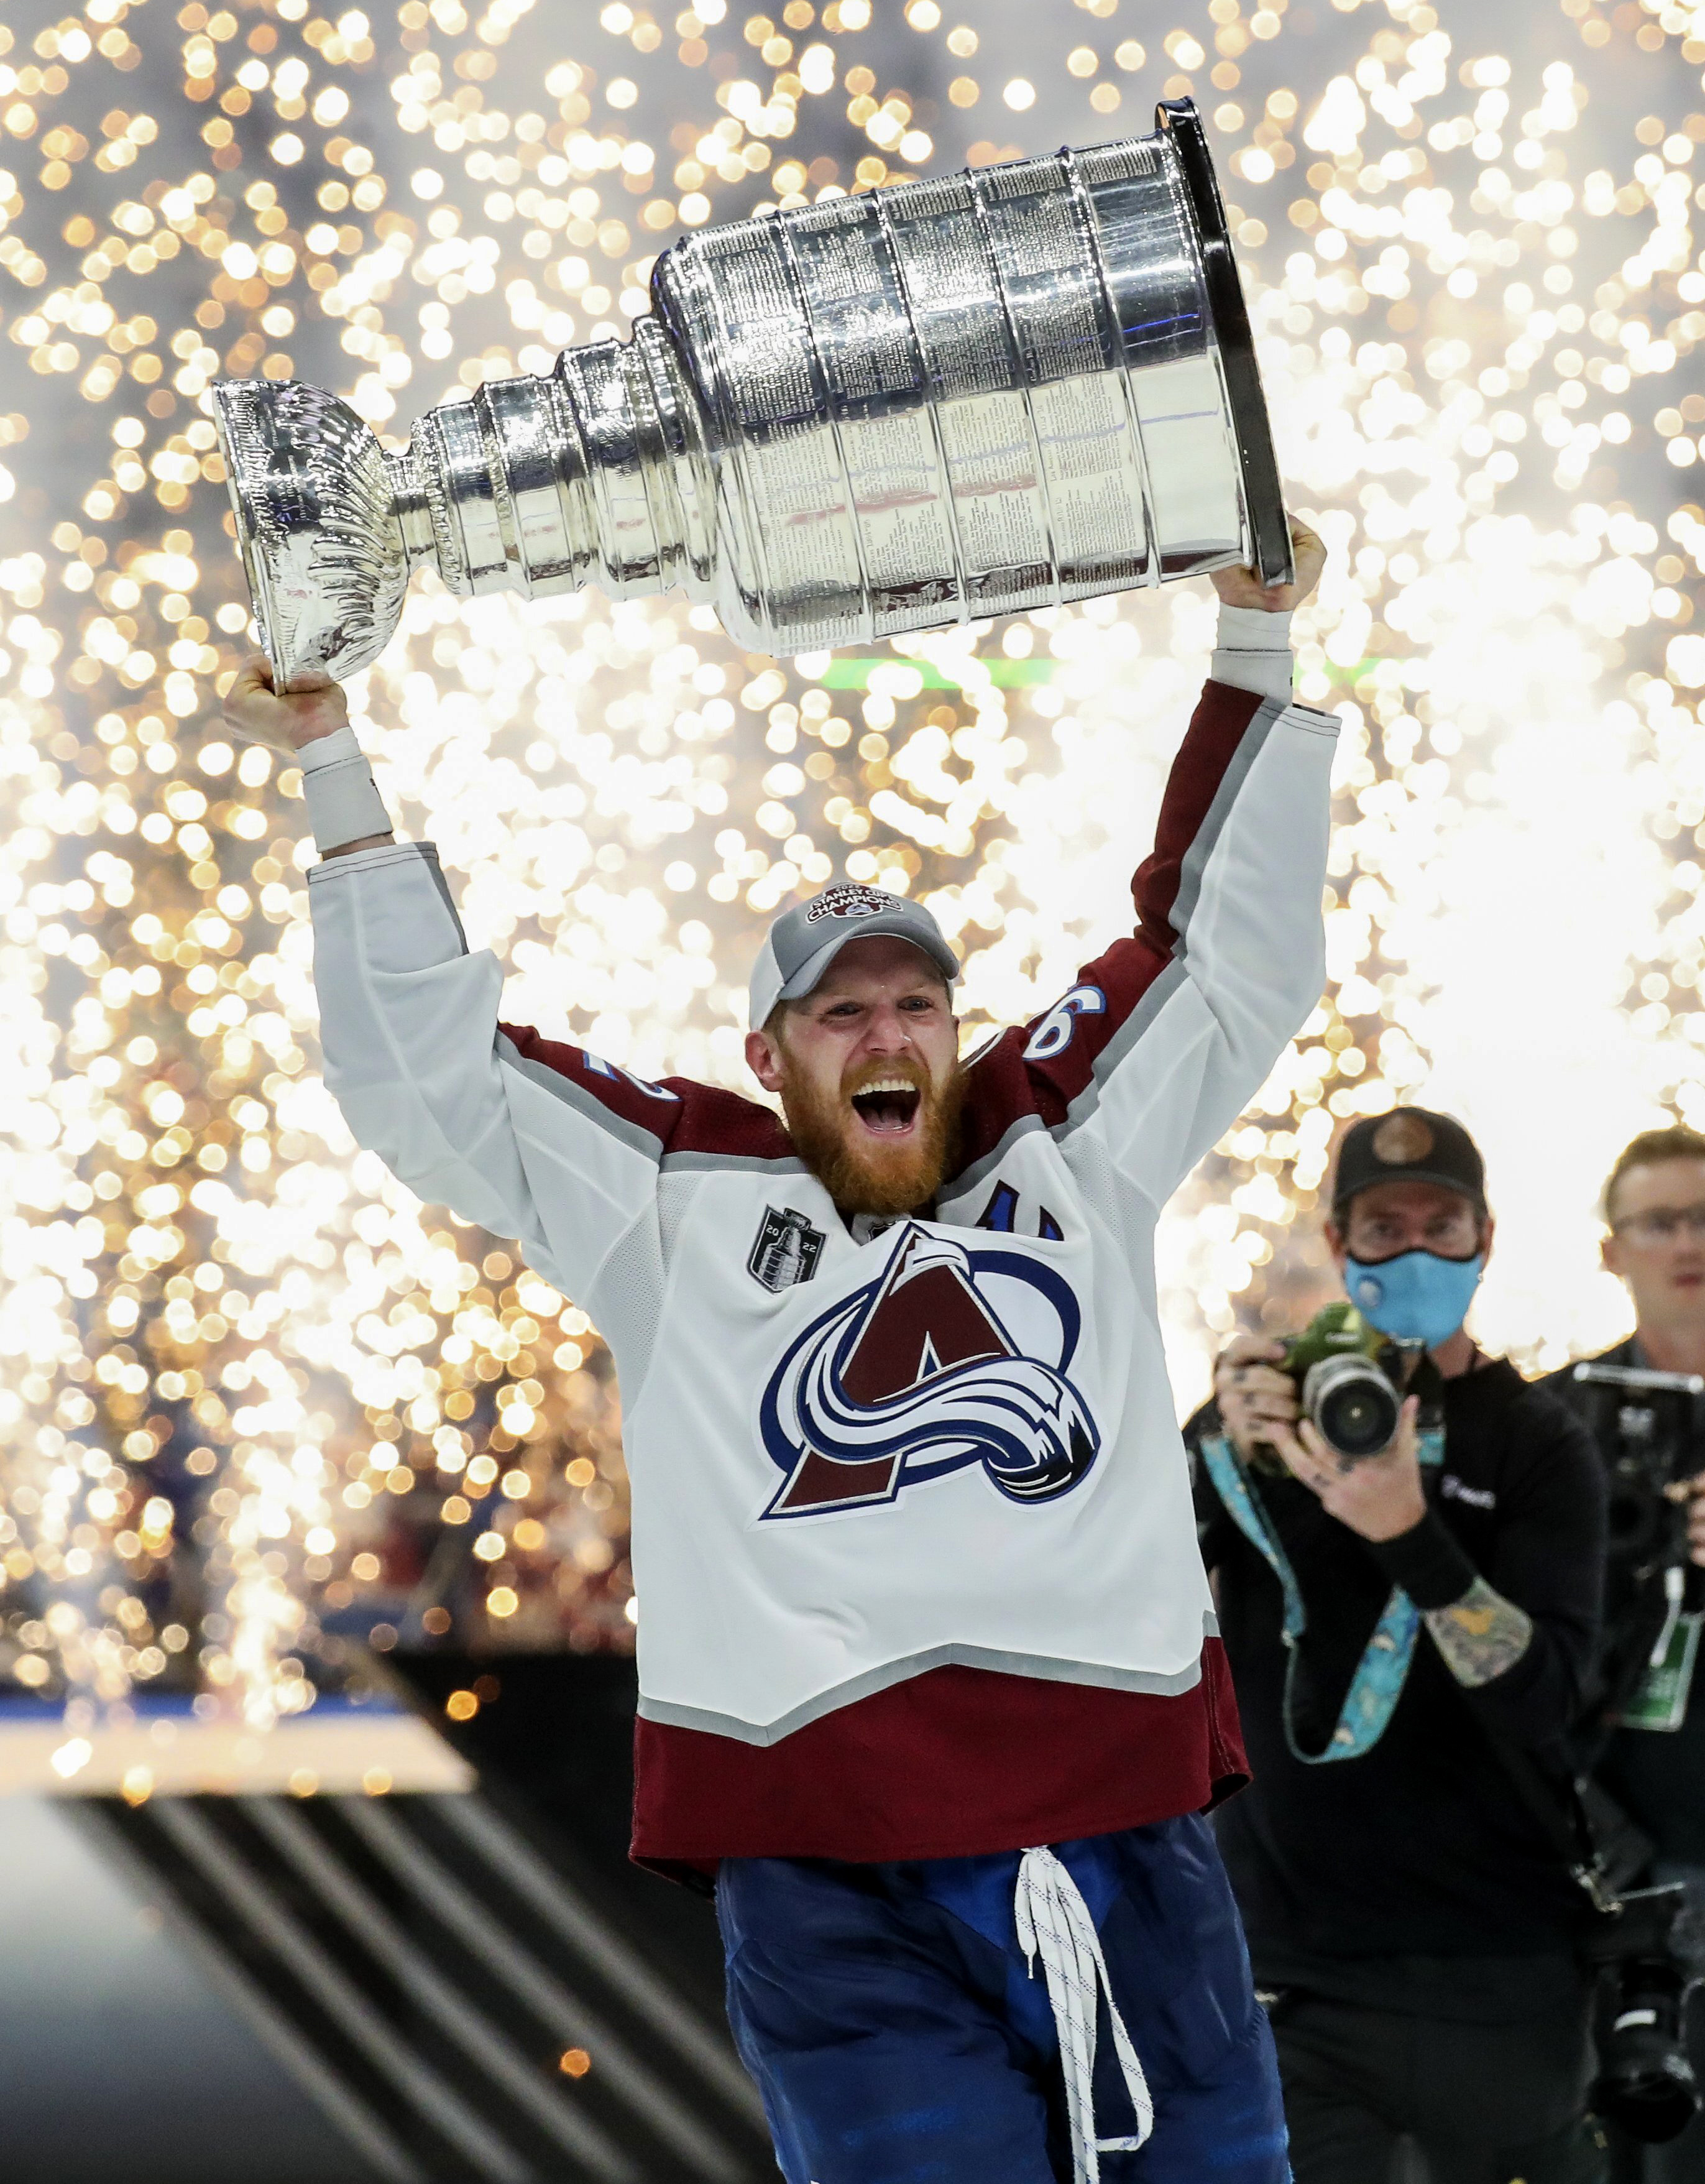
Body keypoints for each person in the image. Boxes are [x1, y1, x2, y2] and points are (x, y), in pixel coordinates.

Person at [227, 515, 1336, 2184]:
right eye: (844, 1011)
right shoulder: (671, 1191)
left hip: (1124, 1821)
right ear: (772, 1051)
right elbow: (428, 1079)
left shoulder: (1066, 1139)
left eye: (917, 1006)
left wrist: (1254, 636)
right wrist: (328, 744)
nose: (889, 1033)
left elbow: (1226, 954)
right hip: (834, 1873)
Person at [1198, 1106, 1609, 2184]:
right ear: (1339, 1246)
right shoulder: (1266, 1420)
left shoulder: (1538, 1444)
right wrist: (1209, 1453)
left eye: (1442, 1222)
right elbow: (1124, 1591)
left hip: (1502, 1969)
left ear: (1485, 1239)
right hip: (1297, 1967)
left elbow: (1549, 1704)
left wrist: (1407, 1534)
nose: (1417, 1248)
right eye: (1385, 1226)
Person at [1543, 1127, 1705, 2184]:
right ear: (1613, 1250)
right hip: (1619, 1860)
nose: (1688, 1241)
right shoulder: (1555, 1423)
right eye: (1661, 1222)